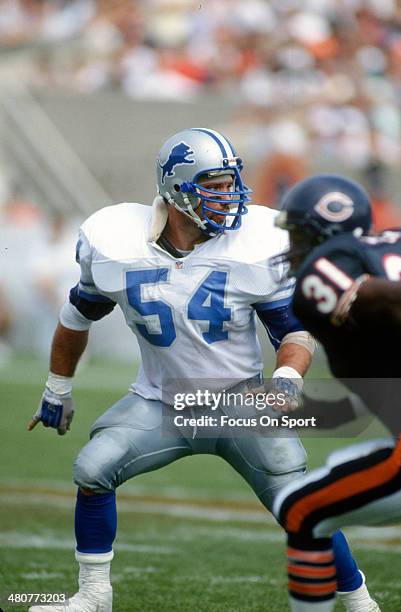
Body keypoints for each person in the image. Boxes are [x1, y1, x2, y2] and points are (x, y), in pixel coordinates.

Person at [27, 130, 373, 612]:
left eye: (232, 183)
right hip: (160, 403)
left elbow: (293, 332)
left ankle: (360, 602)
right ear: (175, 189)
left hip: (240, 403)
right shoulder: (115, 242)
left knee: (302, 505)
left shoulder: (255, 243)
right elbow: (76, 317)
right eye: (214, 184)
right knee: (93, 468)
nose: (230, 196)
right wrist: (57, 388)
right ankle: (92, 596)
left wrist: (287, 380)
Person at [273, 173, 401, 612]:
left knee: (300, 510)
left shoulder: (323, 269)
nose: (291, 247)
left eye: (296, 233)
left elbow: (396, 301)